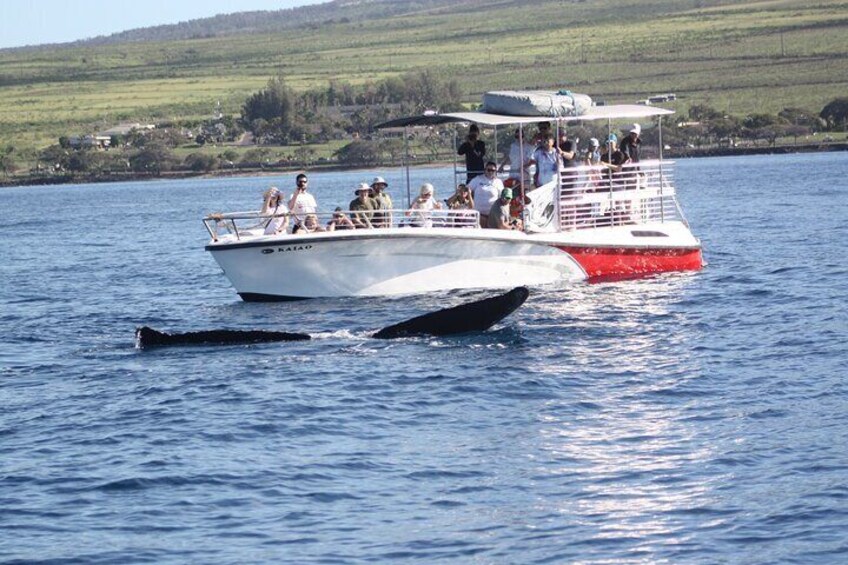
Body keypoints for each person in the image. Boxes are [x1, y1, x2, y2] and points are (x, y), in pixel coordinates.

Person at [468, 161, 504, 228]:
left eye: (493, 170)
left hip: (492, 214)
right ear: (485, 170)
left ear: (495, 171)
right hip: (479, 213)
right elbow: (468, 188)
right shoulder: (478, 179)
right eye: (488, 170)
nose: (490, 172)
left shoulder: (498, 182)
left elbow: (502, 196)